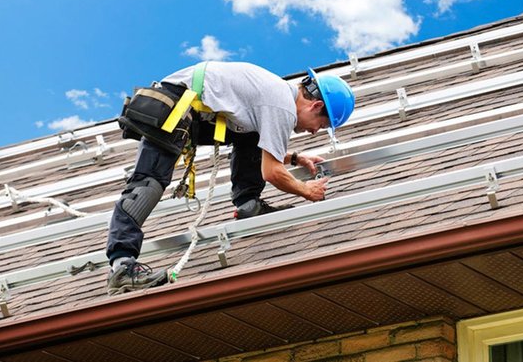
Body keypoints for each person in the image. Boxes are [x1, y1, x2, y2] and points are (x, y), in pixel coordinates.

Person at [106, 61, 355, 295]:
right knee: (147, 186)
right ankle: (122, 267)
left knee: (251, 136)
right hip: (174, 106)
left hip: (190, 108)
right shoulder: (282, 106)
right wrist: (306, 190)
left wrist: (294, 158)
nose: (313, 132)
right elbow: (272, 172)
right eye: (320, 126)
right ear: (316, 106)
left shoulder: (278, 95)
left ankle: (249, 205)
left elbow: (264, 146)